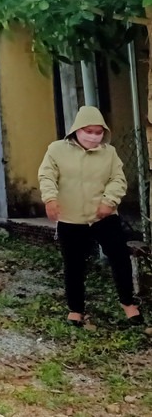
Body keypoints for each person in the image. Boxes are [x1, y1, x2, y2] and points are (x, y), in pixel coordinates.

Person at [38, 106, 143, 328]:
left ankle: (128, 304)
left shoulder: (109, 153)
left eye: (98, 132)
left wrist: (109, 201)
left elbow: (118, 179)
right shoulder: (56, 150)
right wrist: (50, 199)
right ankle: (76, 309)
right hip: (71, 219)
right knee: (74, 264)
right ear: (76, 130)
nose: (94, 136)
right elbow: (47, 175)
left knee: (120, 259)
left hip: (104, 217)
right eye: (88, 131)